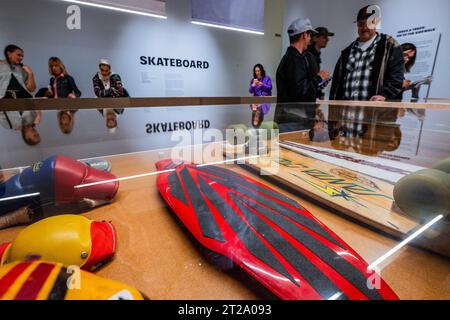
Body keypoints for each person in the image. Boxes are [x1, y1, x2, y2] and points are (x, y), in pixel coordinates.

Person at [330, 5, 404, 101]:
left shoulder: (390, 46)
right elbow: (337, 83)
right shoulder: (347, 52)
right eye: (361, 24)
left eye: (369, 23)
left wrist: (385, 95)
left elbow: (396, 77)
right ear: (357, 25)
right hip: (347, 112)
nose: (364, 27)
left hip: (375, 112)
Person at [276, 18, 330, 103]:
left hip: (289, 114)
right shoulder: (294, 59)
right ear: (304, 35)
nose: (310, 39)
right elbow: (300, 92)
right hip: (292, 115)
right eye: (309, 35)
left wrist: (319, 83)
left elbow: (299, 87)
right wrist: (319, 78)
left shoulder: (291, 57)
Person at [93, 59, 128, 132]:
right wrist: (111, 90)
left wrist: (103, 94)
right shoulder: (119, 110)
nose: (104, 72)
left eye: (106, 70)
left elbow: (118, 91)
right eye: (102, 70)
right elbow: (97, 93)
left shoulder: (115, 76)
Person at [305, 27, 335, 99]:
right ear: (315, 38)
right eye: (324, 37)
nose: (328, 39)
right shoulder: (309, 56)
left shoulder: (314, 56)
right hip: (306, 102)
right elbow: (309, 81)